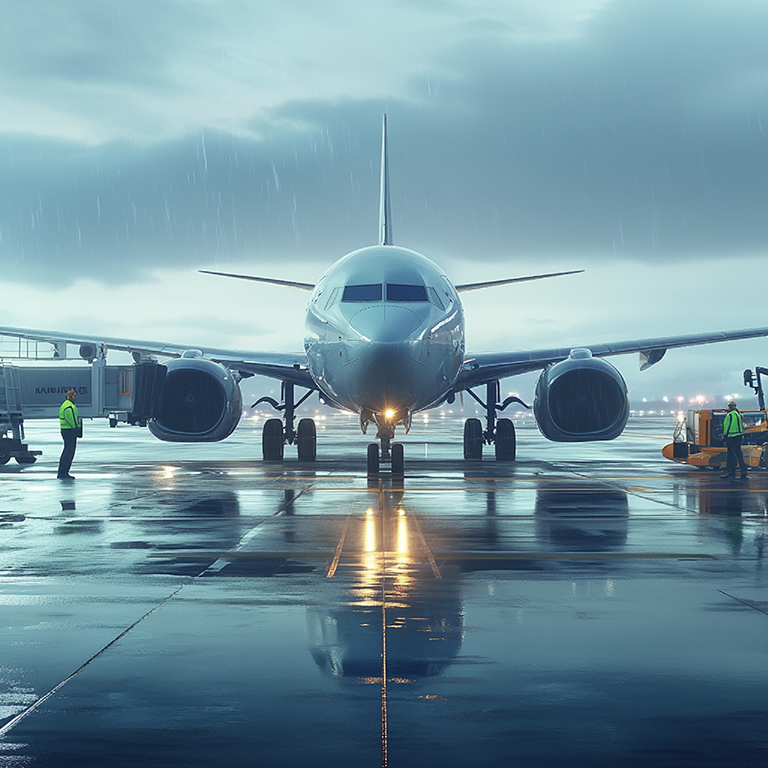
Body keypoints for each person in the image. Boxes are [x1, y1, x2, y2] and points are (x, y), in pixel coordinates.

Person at [57, 390, 82, 480]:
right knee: (68, 452)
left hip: (67, 431)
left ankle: (63, 472)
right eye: (72, 395)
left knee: (67, 451)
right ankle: (63, 473)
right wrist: (76, 429)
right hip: (69, 431)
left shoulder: (68, 405)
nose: (74, 397)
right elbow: (71, 419)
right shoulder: (68, 406)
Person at [721, 401, 748, 480]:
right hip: (738, 436)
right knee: (739, 455)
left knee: (731, 456)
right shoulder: (738, 414)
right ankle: (743, 472)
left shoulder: (730, 415)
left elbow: (727, 427)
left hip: (731, 437)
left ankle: (731, 473)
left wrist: (724, 437)